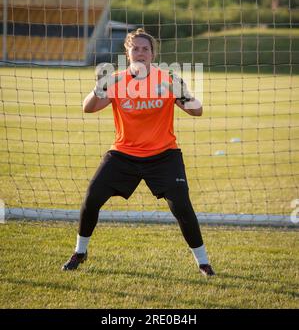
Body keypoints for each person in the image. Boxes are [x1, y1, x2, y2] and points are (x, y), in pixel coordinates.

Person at [62, 28, 215, 277]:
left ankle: (203, 262)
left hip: (164, 155)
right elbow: (88, 108)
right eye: (136, 48)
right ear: (128, 52)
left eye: (146, 49)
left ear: (153, 54)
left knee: (182, 207)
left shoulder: (167, 78)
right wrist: (100, 85)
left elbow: (196, 110)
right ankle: (80, 252)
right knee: (92, 197)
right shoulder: (117, 80)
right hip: (123, 154)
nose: (141, 53)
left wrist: (183, 92)